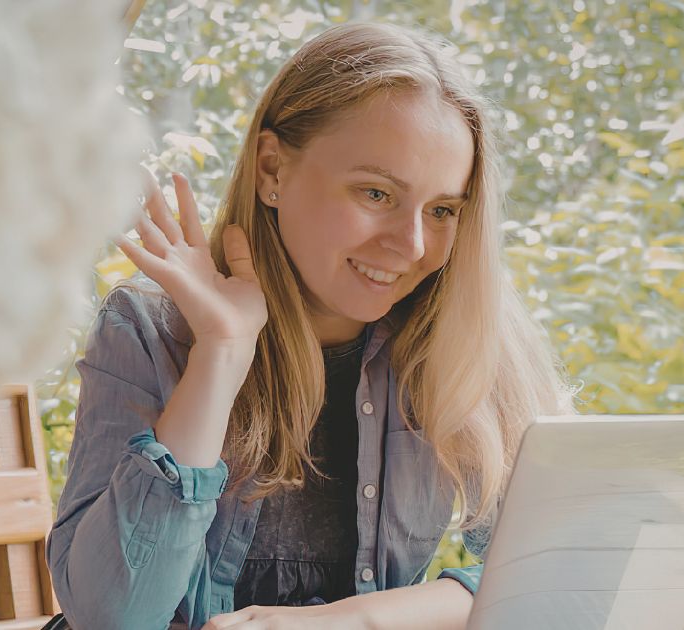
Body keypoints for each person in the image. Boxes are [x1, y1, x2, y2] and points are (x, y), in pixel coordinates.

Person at [45, 21, 571, 630]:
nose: (412, 243)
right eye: (376, 194)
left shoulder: (465, 333)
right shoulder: (151, 327)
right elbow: (113, 618)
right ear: (272, 169)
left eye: (443, 210)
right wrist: (222, 352)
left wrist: (356, 620)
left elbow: (559, 566)